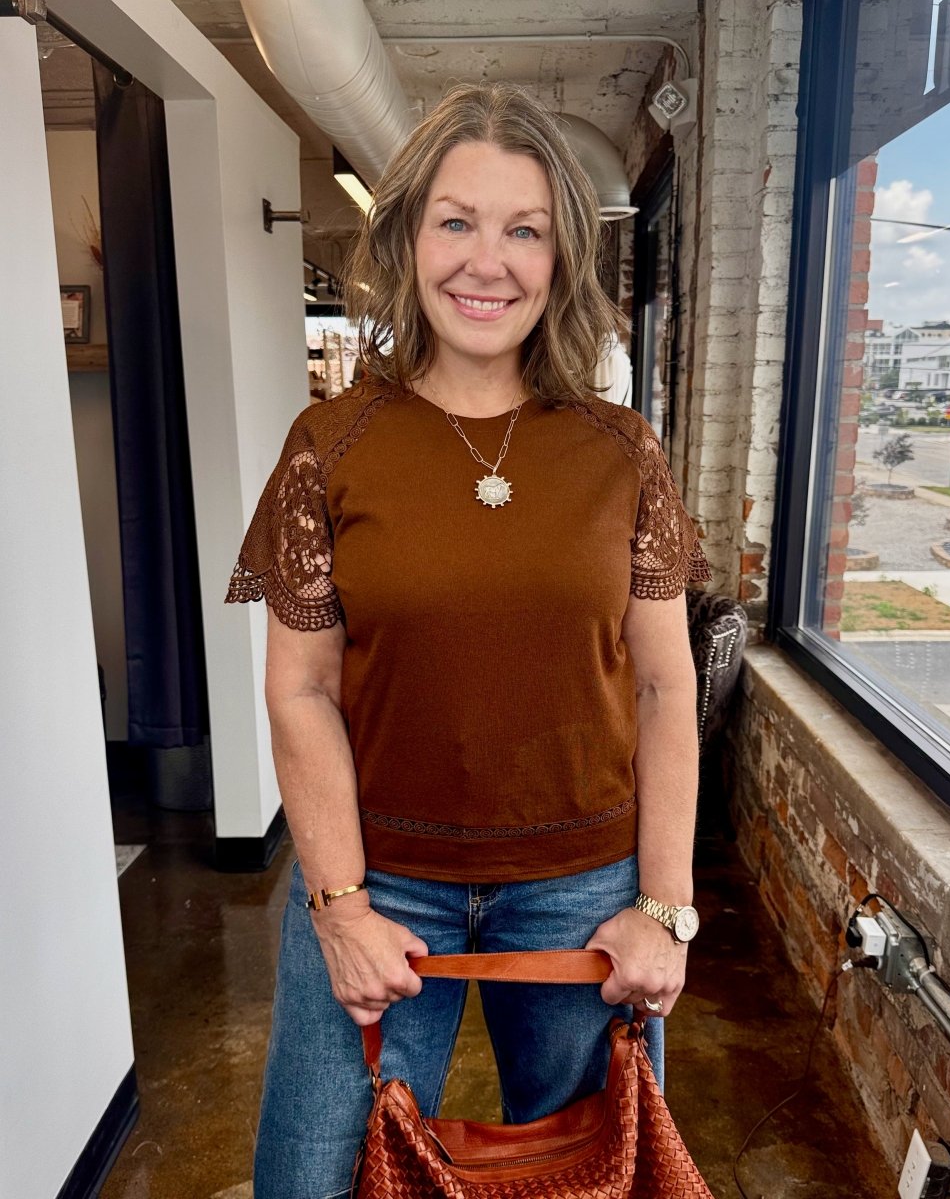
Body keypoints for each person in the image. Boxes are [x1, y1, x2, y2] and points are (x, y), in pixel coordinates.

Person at [225, 81, 711, 1199]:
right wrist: (340, 907)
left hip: (586, 887)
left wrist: (665, 909)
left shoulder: (619, 450)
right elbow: (299, 690)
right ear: (407, 238)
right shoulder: (330, 445)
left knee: (595, 1171)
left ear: (560, 259)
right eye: (456, 221)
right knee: (311, 1177)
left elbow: (665, 688)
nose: (485, 262)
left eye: (523, 230)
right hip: (380, 878)